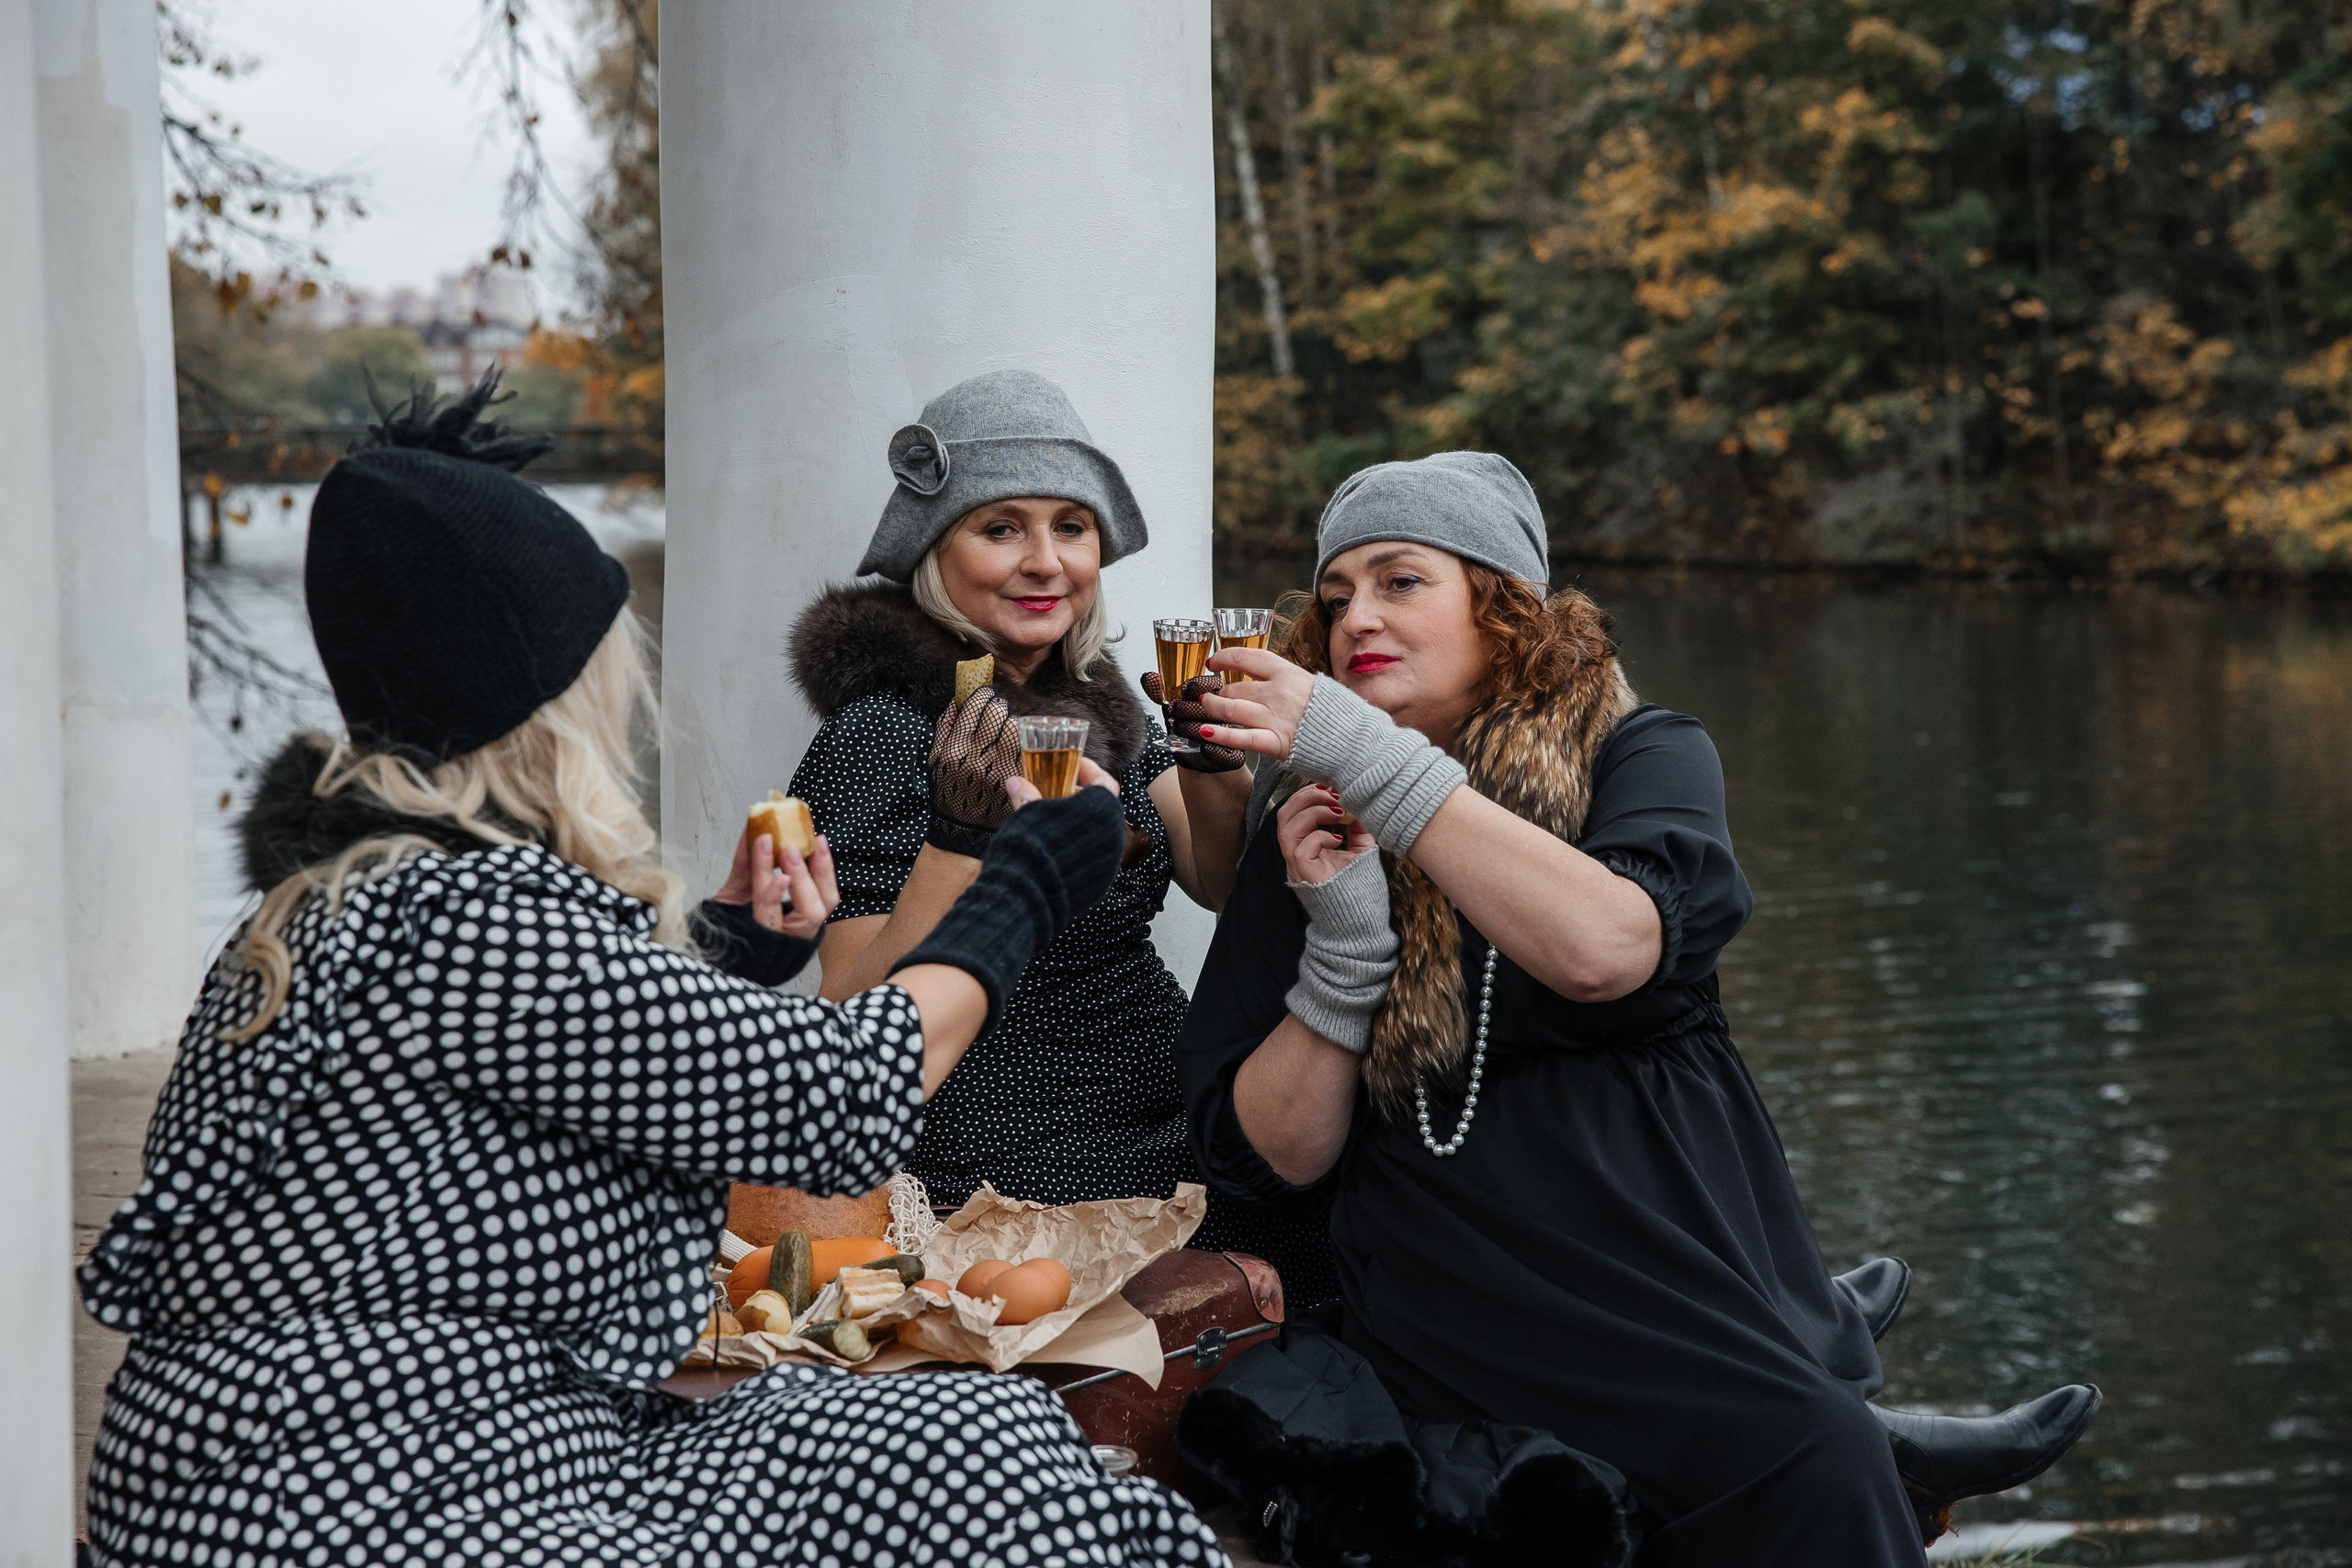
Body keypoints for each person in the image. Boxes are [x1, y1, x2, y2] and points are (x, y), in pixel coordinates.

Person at [76, 380, 1225, 1568]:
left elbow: (578, 1043)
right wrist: (1023, 876)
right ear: (541, 692)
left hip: (448, 1439)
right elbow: (839, 1092)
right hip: (380, 1496)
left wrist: (731, 941)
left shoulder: (362, 901)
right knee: (1007, 1482)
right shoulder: (460, 921)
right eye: (602, 650)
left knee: (976, 1430)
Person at [1166, 453, 2101, 1566]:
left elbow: (1606, 950)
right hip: (1458, 1266)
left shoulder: (1641, 753)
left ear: (1501, 606)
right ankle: (1855, 1422)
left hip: (1674, 1231)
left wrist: (1372, 759)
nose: (1355, 615)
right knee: (1811, 1449)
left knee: (1796, 1436)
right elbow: (1278, 1155)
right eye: (1334, 597)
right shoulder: (1313, 811)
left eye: (1399, 581)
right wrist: (1349, 951)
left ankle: (1832, 1379)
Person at [786, 367, 1330, 1300]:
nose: (1047, 561)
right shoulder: (881, 730)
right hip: (1005, 1147)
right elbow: (847, 1005)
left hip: (1165, 1103)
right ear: (934, 549)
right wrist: (957, 841)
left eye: (1069, 527)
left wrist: (1211, 759)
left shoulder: (1101, 699)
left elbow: (1217, 880)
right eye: (1002, 528)